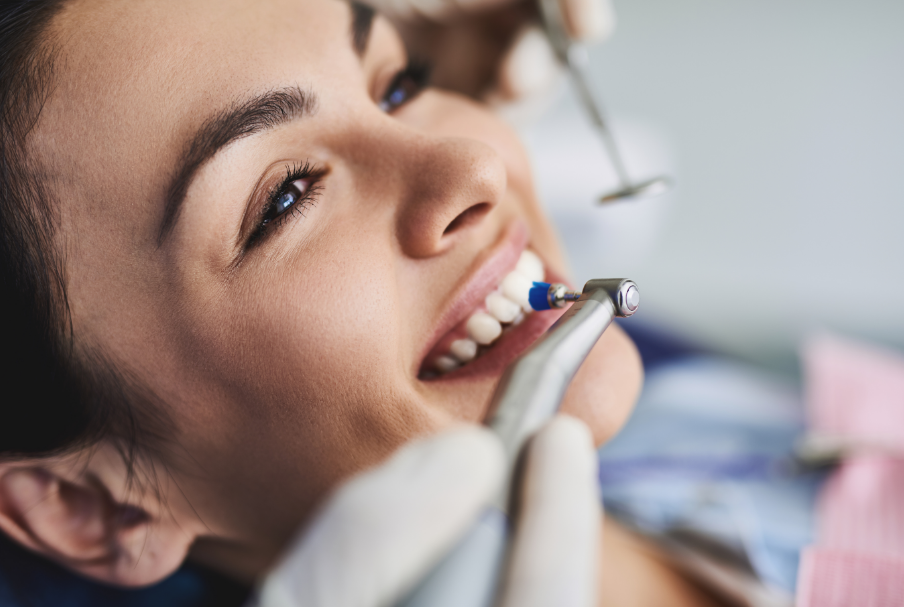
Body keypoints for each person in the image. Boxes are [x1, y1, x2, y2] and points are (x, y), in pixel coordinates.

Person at [0, 0, 733, 605]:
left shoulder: (708, 405)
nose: (475, 164)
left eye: (400, 85)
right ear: (86, 506)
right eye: (286, 199)